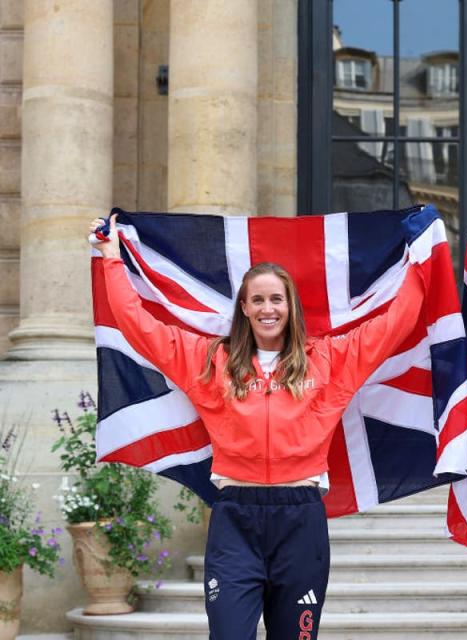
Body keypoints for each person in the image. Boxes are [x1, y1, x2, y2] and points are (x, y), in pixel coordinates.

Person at [88, 213, 425, 640]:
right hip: (234, 521)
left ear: (290, 307)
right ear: (244, 308)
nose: (268, 309)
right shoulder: (210, 362)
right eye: (259, 300)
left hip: (300, 521)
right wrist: (111, 257)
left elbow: (398, 320)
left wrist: (421, 256)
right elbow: (138, 324)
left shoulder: (330, 361)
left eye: (277, 299)